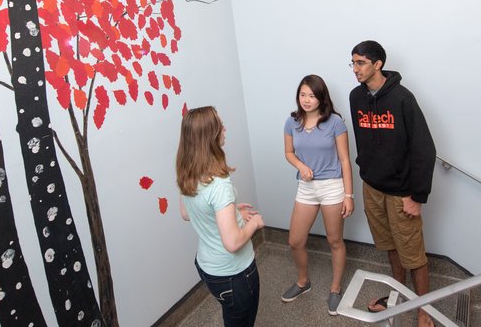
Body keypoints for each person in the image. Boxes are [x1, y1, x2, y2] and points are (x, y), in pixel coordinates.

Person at [348, 41, 437, 327]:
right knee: (388, 245)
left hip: (401, 192)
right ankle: (397, 292)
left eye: (360, 63)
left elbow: (424, 149)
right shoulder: (355, 97)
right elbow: (364, 140)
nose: (355, 69)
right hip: (372, 187)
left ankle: (425, 309)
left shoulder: (402, 99)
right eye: (352, 63)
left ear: (378, 64)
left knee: (412, 252)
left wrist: (417, 196)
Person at [177, 106, 266, 327]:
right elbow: (233, 242)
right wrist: (254, 223)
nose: (225, 129)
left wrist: (235, 213)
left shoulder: (187, 171)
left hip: (207, 267)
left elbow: (187, 213)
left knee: (232, 318)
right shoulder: (220, 185)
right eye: (220, 125)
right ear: (210, 136)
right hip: (233, 275)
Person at [280, 75, 354, 315]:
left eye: (312, 95)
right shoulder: (292, 122)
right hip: (306, 187)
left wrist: (348, 195)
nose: (306, 100)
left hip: (332, 186)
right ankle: (303, 282)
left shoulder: (335, 122)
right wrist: (300, 166)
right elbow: (289, 152)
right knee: (295, 241)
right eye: (303, 95)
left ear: (322, 98)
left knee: (334, 241)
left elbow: (344, 160)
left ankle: (335, 289)